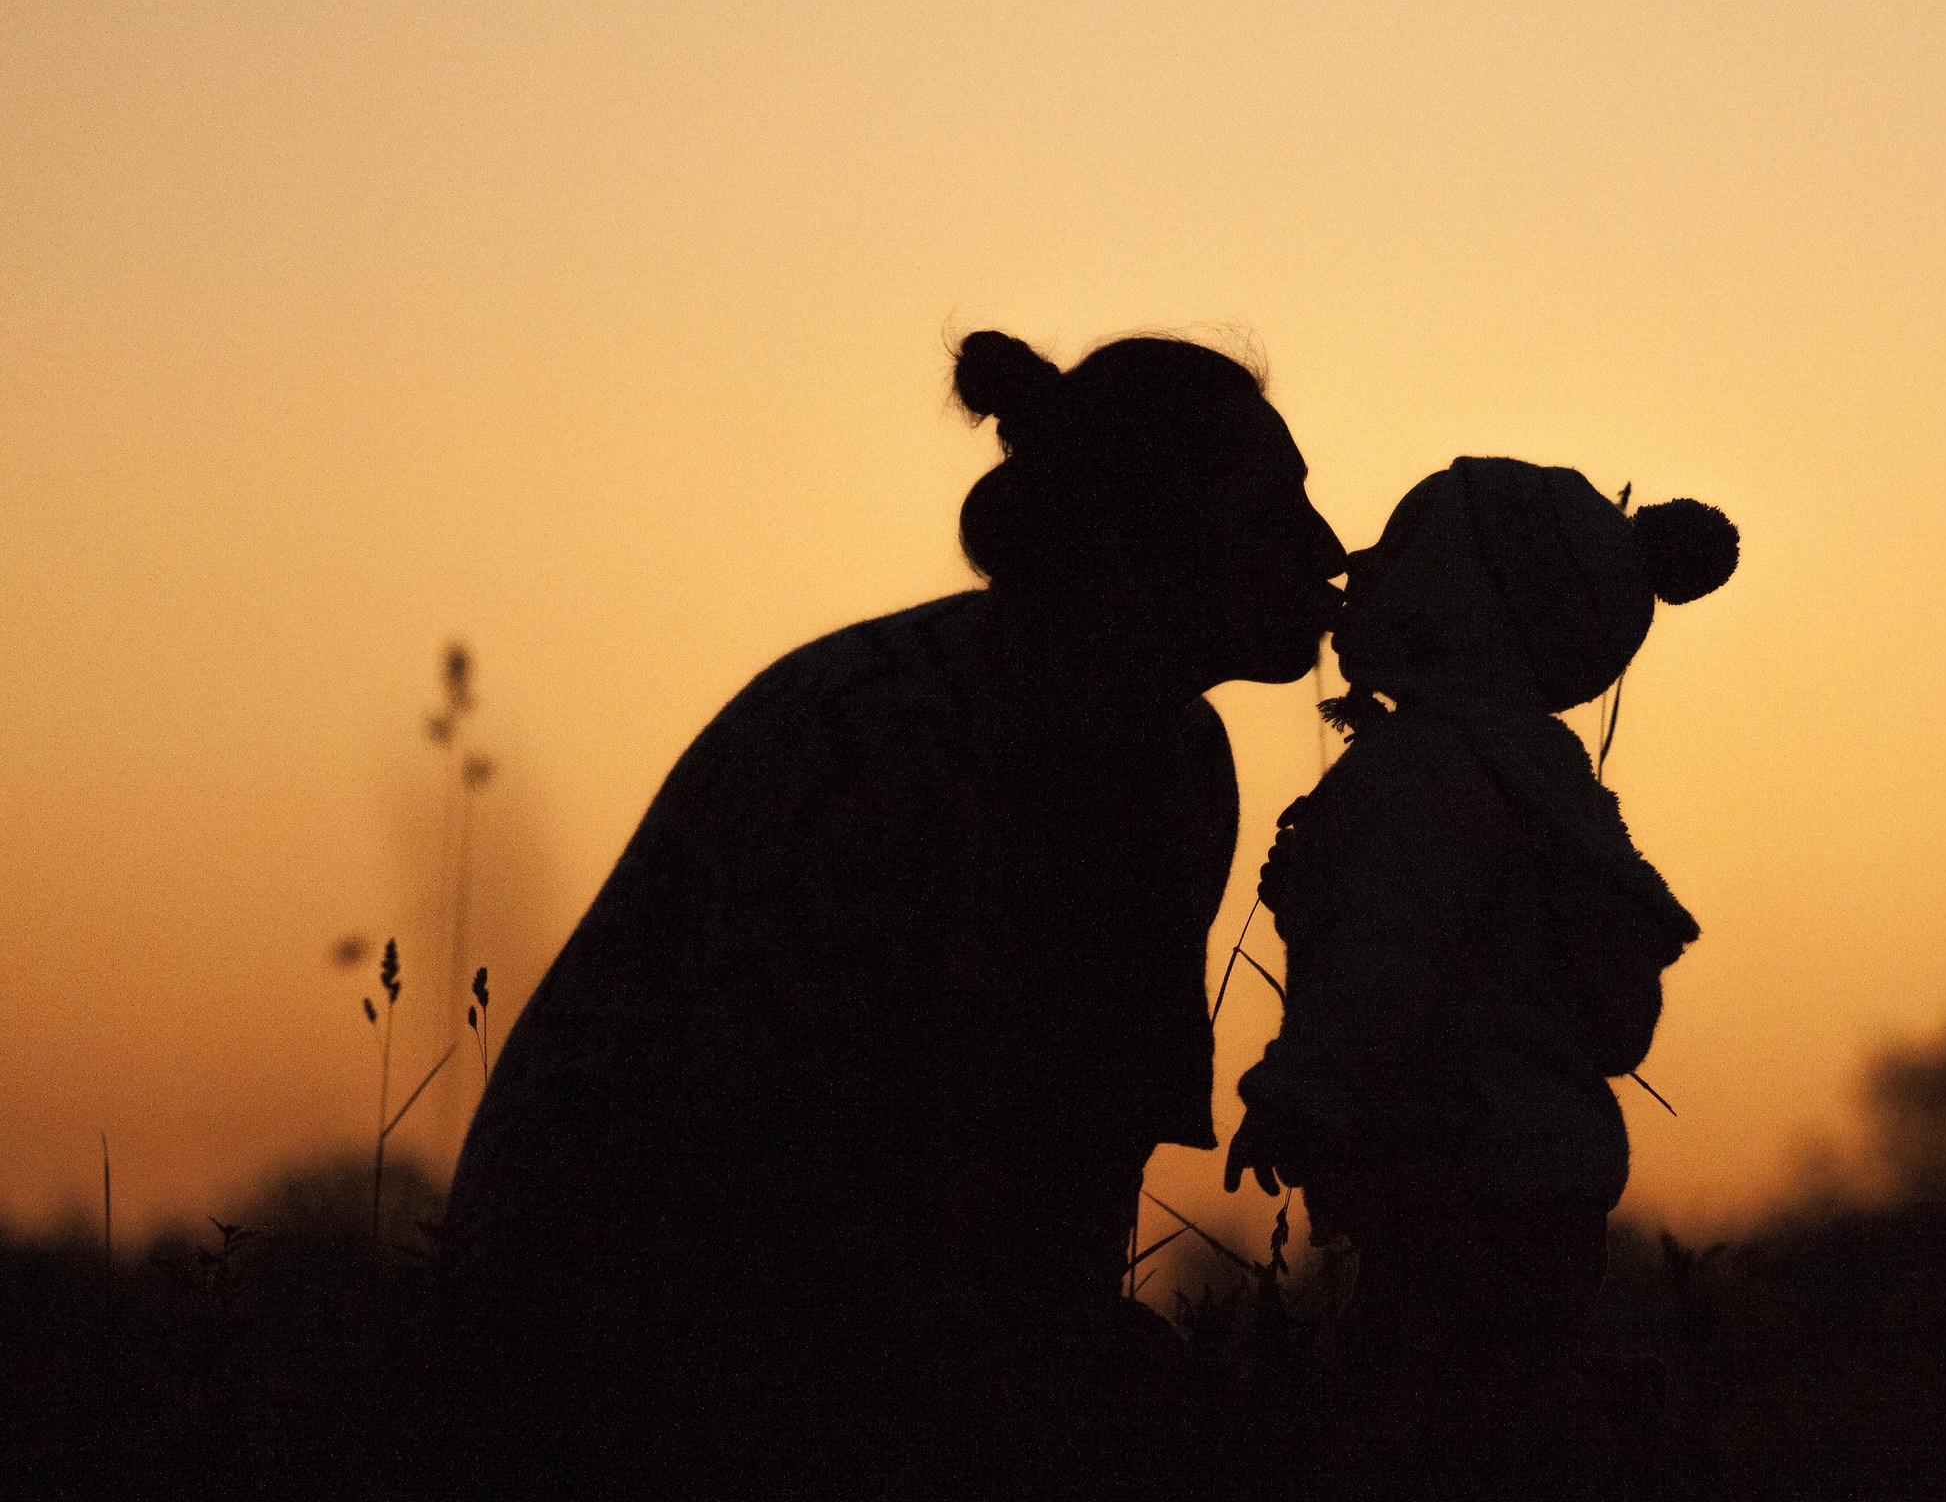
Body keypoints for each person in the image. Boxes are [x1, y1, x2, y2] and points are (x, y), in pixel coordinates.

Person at [442, 330, 1345, 1497]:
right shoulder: (886, 749)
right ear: (1143, 538)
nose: (1325, 549)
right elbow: (824, 1201)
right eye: (1277, 509)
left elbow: (1057, 1187)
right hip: (628, 1355)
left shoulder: (1172, 760)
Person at [1223, 457, 1737, 1497]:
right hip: (1550, 1181)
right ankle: (1595, 1422)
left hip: (1452, 1172)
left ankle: (1598, 1428)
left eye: (1404, 551)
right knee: (1495, 1388)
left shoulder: (1417, 772)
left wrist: (1303, 1089)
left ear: (1457, 605)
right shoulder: (1546, 780)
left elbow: (1385, 952)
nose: (1361, 565)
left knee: (1414, 1420)